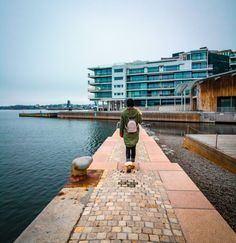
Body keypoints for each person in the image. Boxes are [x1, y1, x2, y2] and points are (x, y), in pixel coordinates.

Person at [119, 99, 142, 166]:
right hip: (135, 133)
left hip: (127, 133)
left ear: (127, 104)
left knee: (127, 147)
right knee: (133, 147)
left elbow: (121, 124)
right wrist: (140, 114)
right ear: (133, 104)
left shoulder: (123, 113)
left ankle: (128, 162)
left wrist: (121, 133)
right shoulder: (137, 112)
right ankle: (133, 161)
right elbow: (140, 121)